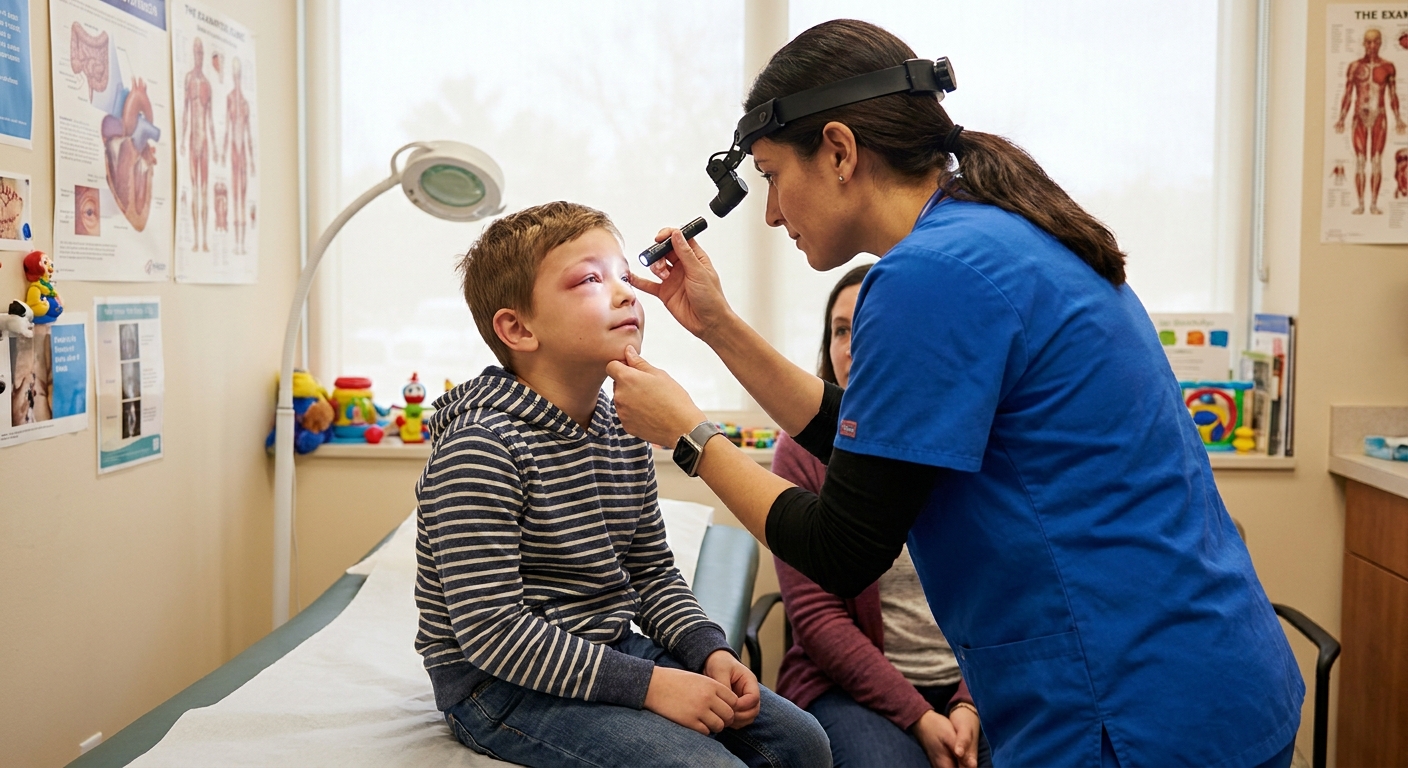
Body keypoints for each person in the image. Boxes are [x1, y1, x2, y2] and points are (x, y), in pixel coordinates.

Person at [606, 19, 1304, 768]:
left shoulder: (927, 279)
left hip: (1130, 707)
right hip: (1208, 677)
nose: (772, 213)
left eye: (774, 177)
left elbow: (842, 547)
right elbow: (884, 446)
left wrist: (688, 435)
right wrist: (720, 329)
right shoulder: (993, 235)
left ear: (839, 151)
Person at [415, 201, 831, 768]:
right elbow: (493, 631)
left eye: (621, 273)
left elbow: (651, 571)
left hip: (609, 648)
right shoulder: (481, 447)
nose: (625, 292)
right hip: (498, 684)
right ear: (517, 328)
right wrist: (652, 686)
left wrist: (707, 651)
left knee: (804, 743)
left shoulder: (623, 425)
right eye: (590, 279)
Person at [771, 264, 991, 768]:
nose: (851, 346)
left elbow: (1001, 589)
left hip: (977, 679)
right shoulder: (801, 451)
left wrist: (967, 702)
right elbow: (818, 617)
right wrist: (918, 715)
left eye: (870, 328)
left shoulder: (966, 435)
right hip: (847, 687)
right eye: (841, 330)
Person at [1335, 27, 1406, 215]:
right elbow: (1348, 94)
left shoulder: (1388, 67)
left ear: (1380, 43)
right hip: (1359, 116)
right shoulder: (1355, 67)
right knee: (1359, 160)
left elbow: (1393, 95)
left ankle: (1373, 204)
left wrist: (1399, 118)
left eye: (1376, 42)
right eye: (1368, 42)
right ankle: (1360, 204)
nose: (1372, 46)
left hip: (1379, 117)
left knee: (1376, 161)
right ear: (1364, 43)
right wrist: (1341, 118)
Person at [179, 37, 216, 251]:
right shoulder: (189, 80)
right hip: (193, 140)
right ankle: (196, 240)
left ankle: (204, 240)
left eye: (202, 53)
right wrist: (183, 140)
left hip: (205, 143)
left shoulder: (208, 86)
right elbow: (185, 113)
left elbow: (210, 119)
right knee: (195, 190)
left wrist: (217, 147)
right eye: (197, 52)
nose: (199, 56)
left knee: (204, 191)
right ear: (193, 54)